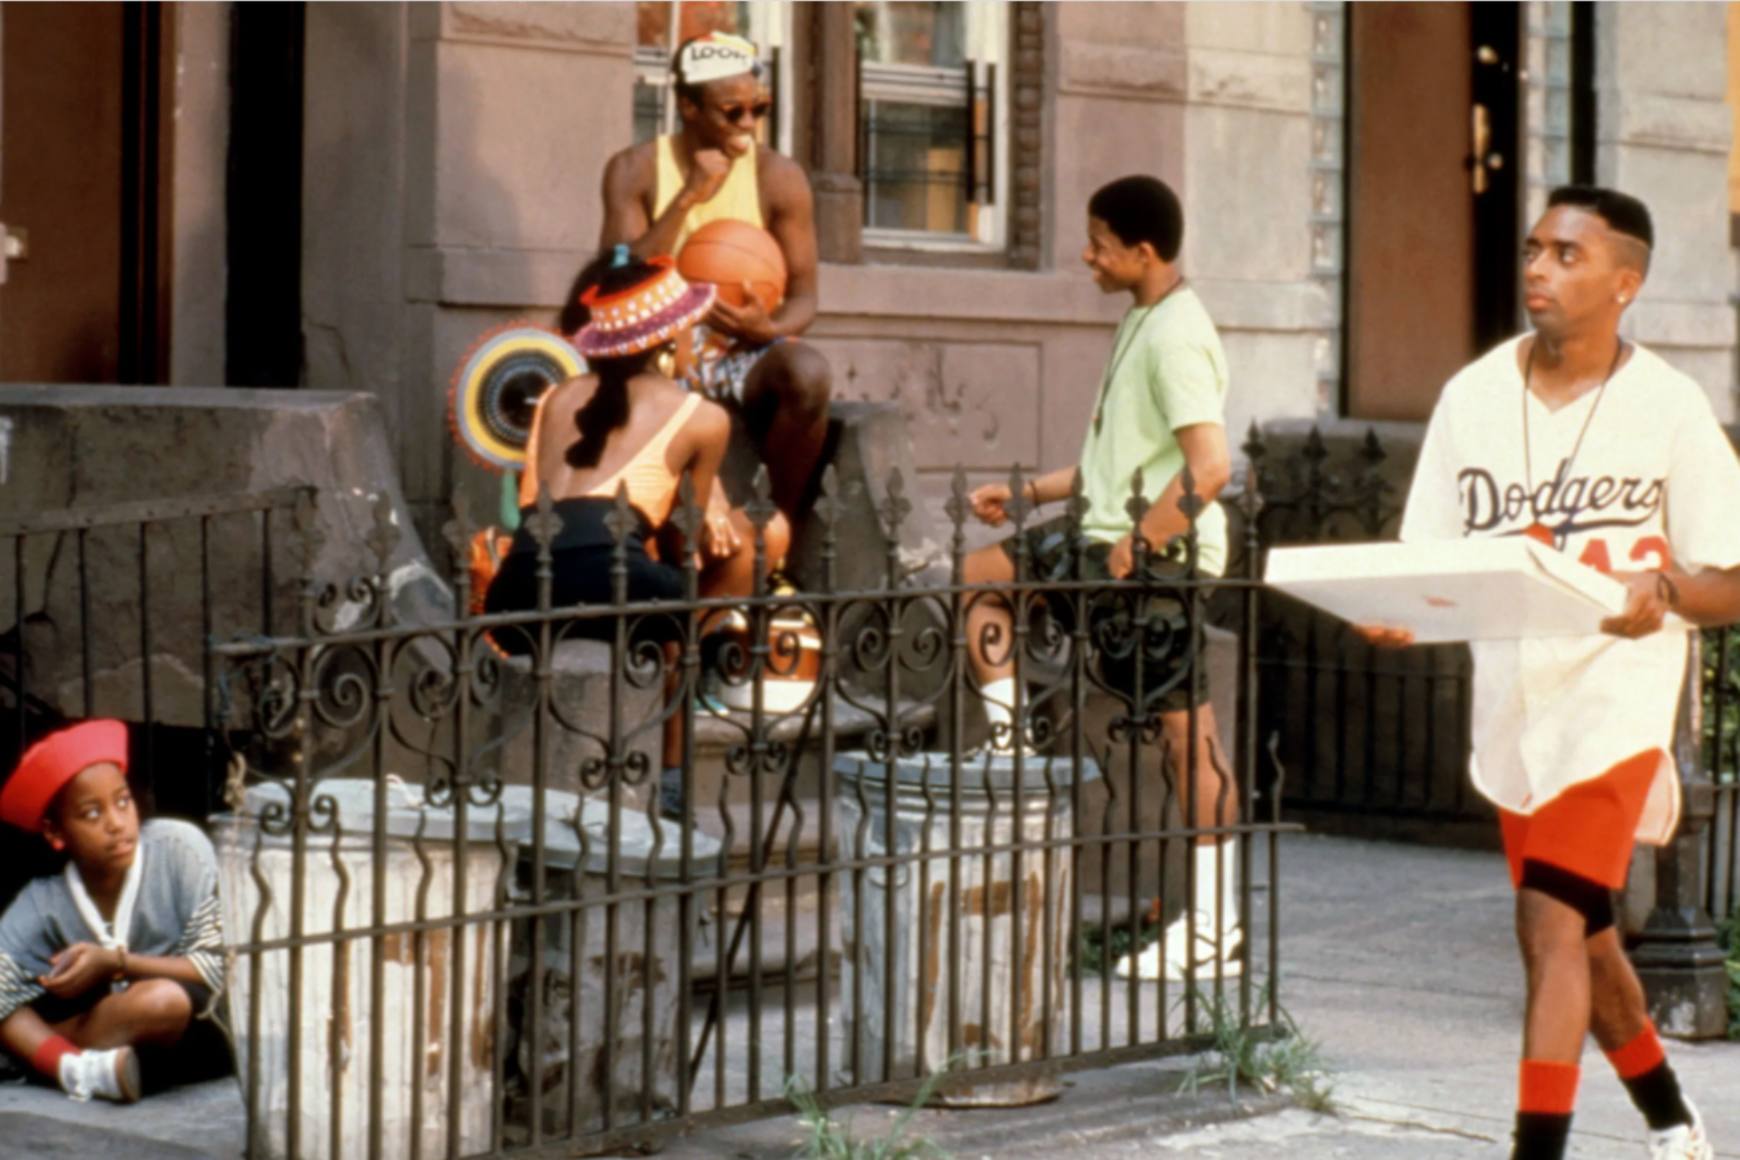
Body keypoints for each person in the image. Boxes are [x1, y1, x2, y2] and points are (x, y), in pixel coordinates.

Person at [1362, 186, 1740, 1160]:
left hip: (1618, 699)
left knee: (1544, 921)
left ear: (1627, 283)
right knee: (1588, 933)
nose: (1538, 267)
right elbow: (1428, 557)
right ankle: (1671, 1118)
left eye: (1567, 255)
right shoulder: (1472, 396)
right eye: (1534, 249)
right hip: (1517, 708)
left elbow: (1731, 583)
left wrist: (1665, 588)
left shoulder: (1669, 407)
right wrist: (1400, 611)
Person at [962, 175, 1240, 983]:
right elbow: (1116, 460)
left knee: (1190, 741)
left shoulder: (1176, 334)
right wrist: (1030, 496)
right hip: (1103, 535)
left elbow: (1210, 467)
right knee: (978, 580)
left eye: (1099, 243)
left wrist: (1145, 541)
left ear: (1142, 252)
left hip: (1156, 562)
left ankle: (1216, 926)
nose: (1087, 256)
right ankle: (1012, 747)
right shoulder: (1144, 318)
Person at [488, 248, 790, 780]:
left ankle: (669, 742)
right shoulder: (702, 417)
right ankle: (672, 776)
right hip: (611, 587)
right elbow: (685, 544)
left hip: (516, 593)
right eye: (692, 332)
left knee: (655, 604)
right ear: (671, 340)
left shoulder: (558, 395)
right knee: (723, 575)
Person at [594, 30, 831, 521]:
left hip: (742, 347)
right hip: (656, 350)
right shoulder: (635, 170)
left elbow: (806, 298)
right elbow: (615, 280)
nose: (749, 124)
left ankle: (777, 532)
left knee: (808, 373)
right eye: (732, 111)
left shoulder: (778, 177)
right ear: (688, 107)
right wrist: (688, 199)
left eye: (758, 109)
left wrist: (769, 328)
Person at [0, 719, 228, 1103]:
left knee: (162, 1001)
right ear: (56, 833)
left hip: (201, 1034)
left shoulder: (179, 850)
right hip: (116, 1044)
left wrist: (116, 962)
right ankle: (75, 1068)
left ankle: (46, 1056)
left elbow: (221, 966)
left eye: (123, 801)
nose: (117, 823)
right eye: (92, 814)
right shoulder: (47, 900)